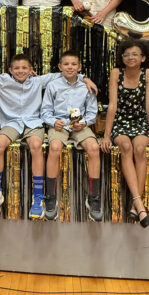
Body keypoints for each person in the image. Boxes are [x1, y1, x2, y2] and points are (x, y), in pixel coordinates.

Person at [0, 54, 97, 220]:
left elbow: (64, 74)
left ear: (31, 70)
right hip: (12, 123)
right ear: (10, 70)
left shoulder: (38, 81)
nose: (20, 71)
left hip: (33, 123)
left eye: (24, 68)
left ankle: (38, 196)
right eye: (16, 68)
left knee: (36, 145)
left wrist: (84, 78)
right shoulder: (2, 80)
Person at [100, 38, 149, 228]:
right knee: (126, 147)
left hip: (140, 121)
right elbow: (112, 106)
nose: (130, 57)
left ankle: (136, 205)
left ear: (143, 58)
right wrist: (106, 135)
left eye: (135, 54)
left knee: (140, 148)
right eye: (126, 54)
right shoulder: (116, 73)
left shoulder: (148, 74)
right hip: (120, 121)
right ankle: (139, 204)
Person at [41, 50, 102, 221]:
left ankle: (94, 197)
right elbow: (45, 111)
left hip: (79, 125)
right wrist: (54, 122)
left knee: (94, 148)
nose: (70, 67)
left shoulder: (86, 86)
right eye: (66, 64)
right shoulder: (53, 85)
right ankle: (51, 196)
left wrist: (84, 123)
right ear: (60, 67)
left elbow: (92, 112)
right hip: (60, 124)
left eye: (74, 64)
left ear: (79, 67)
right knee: (54, 147)